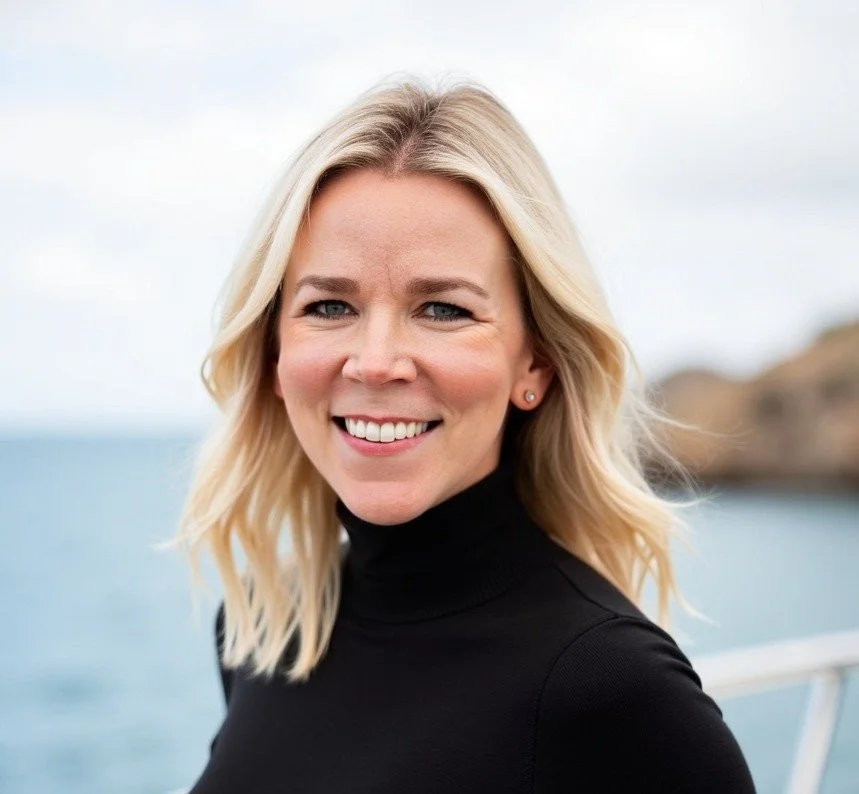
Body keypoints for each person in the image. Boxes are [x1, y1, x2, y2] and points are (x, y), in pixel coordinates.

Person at [177, 78, 756, 793]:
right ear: (273, 355)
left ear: (534, 362)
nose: (377, 361)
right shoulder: (265, 631)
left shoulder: (610, 687)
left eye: (442, 310)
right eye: (328, 305)